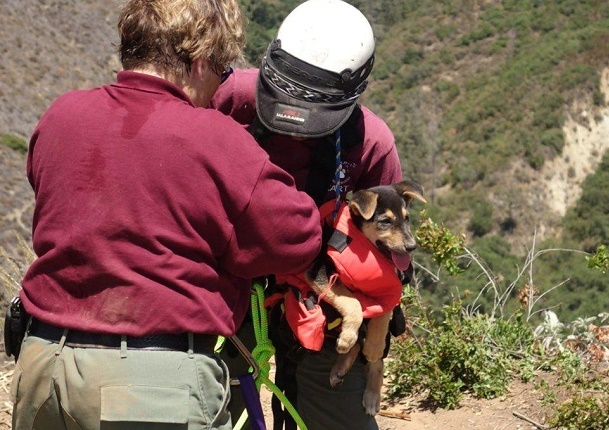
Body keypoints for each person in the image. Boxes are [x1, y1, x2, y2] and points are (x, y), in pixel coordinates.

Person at [10, 0, 323, 429]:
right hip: (149, 385)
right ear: (198, 63)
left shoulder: (61, 116)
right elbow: (295, 239)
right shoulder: (213, 137)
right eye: (222, 70)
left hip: (44, 366)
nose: (219, 86)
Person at [210, 1, 405, 429]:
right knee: (204, 406)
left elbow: (390, 252)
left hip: (329, 297)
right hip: (232, 286)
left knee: (338, 415)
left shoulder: (369, 144)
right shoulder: (231, 100)